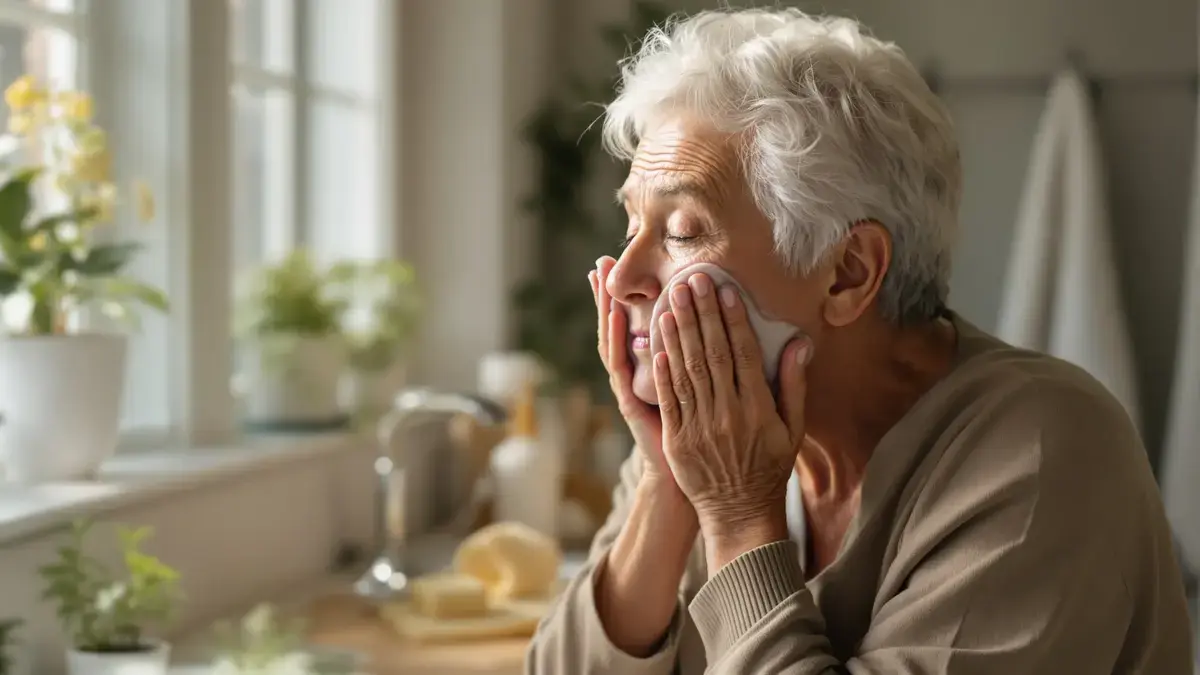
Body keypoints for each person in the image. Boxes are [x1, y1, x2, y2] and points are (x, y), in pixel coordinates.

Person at [525, 8, 1191, 675]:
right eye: (632, 225)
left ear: (848, 273)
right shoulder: (716, 431)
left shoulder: (1044, 455)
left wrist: (736, 513)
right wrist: (666, 485)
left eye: (682, 232)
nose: (624, 279)